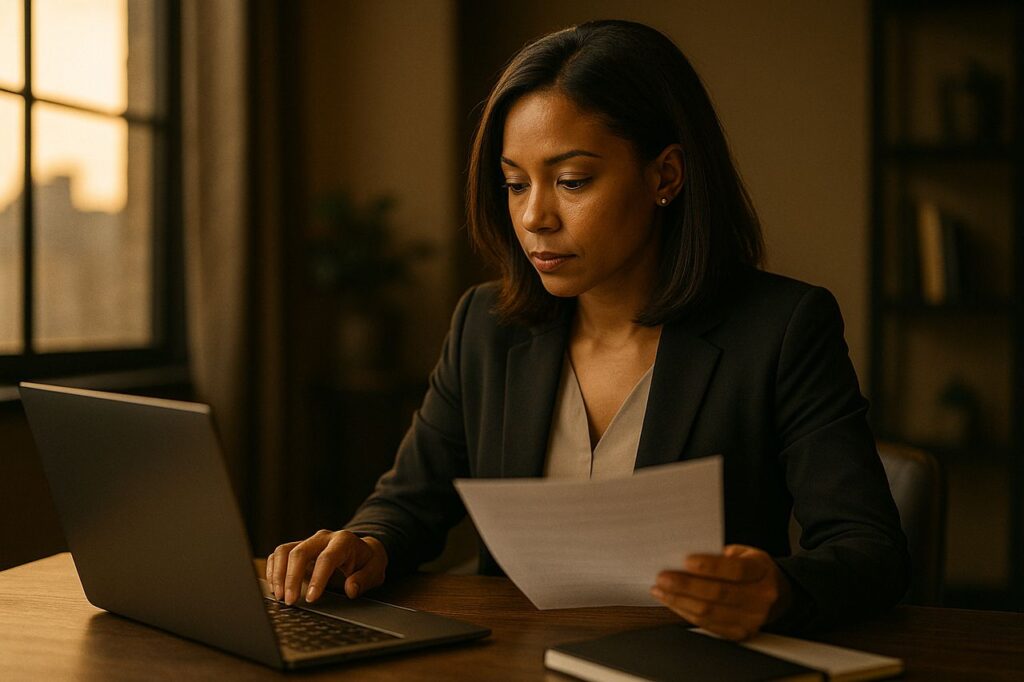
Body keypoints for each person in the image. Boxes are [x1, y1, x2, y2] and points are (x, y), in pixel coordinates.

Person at [267, 19, 909, 640]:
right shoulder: (485, 327)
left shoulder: (780, 329)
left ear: (666, 176)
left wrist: (781, 590)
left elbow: (869, 550)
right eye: (515, 184)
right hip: (514, 662)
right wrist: (367, 544)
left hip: (695, 664)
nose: (534, 217)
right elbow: (407, 504)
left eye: (571, 181)